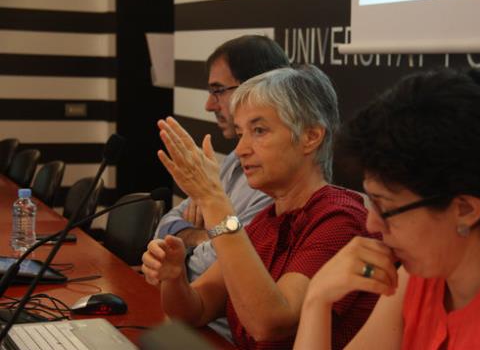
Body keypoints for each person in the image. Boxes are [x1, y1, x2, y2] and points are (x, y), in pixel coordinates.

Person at [293, 68, 480, 349]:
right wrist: (318, 298)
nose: (372, 224)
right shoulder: (420, 273)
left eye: (385, 206)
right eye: (370, 200)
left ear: (465, 210)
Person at [142, 65, 379, 349]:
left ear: (310, 137)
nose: (241, 148)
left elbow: (270, 324)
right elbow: (197, 309)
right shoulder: (267, 220)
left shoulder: (340, 219)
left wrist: (213, 199)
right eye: (241, 132)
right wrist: (175, 278)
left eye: (259, 130)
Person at [154, 35, 289, 341]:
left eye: (218, 91)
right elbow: (164, 227)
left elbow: (219, 260)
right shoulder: (231, 160)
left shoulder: (274, 186)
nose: (207, 104)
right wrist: (211, 235)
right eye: (243, 133)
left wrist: (209, 228)